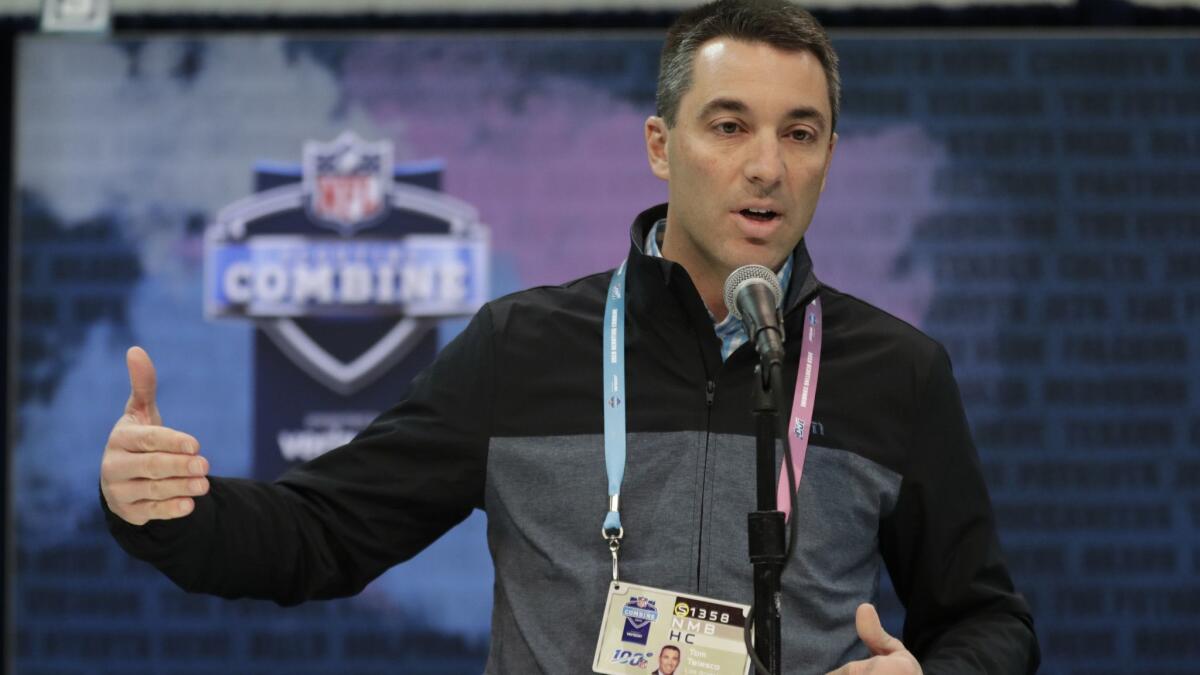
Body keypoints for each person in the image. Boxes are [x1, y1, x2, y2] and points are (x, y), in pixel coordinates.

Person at [100, 1, 1039, 673]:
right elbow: (322, 535)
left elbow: (989, 620)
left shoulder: (900, 373)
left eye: (801, 133)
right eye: (728, 125)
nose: (766, 167)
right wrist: (166, 508)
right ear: (660, 145)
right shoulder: (526, 346)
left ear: (831, 153)